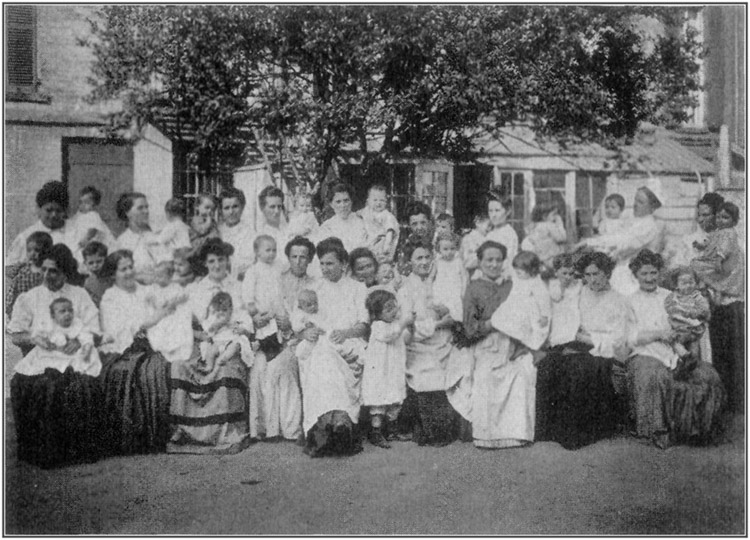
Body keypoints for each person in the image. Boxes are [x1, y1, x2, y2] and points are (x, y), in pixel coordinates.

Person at [8, 243, 103, 467]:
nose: (47, 275)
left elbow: (95, 330)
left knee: (70, 384)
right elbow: (16, 335)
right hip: (43, 354)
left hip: (76, 354)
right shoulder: (30, 297)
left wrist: (78, 340)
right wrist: (34, 339)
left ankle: (74, 451)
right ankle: (41, 451)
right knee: (24, 382)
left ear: (65, 272)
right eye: (44, 269)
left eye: (54, 271)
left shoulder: (79, 295)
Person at [626, 249, 725, 448]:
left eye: (653, 272)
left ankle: (699, 430)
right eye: (644, 273)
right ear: (636, 275)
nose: (649, 278)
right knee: (655, 376)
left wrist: (684, 334)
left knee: (708, 375)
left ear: (659, 272)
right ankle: (658, 430)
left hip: (675, 351)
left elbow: (690, 322)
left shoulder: (672, 296)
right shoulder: (629, 301)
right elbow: (630, 338)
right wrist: (658, 334)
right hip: (645, 353)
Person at [446, 240, 538, 448]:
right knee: (486, 376)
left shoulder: (512, 286)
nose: (494, 264)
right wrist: (493, 322)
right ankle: (488, 436)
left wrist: (521, 342)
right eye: (489, 260)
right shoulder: (474, 288)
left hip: (513, 342)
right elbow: (470, 328)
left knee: (522, 373)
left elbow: (526, 316)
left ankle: (516, 433)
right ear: (479, 262)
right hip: (485, 343)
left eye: (498, 260)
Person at [535, 251, 630, 450]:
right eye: (587, 275)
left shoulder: (619, 300)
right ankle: (548, 431)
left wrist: (585, 339)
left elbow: (618, 340)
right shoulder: (581, 292)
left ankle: (574, 435)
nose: (592, 280)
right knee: (547, 365)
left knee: (577, 369)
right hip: (574, 343)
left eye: (596, 274)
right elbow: (562, 310)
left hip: (600, 351)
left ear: (607, 273)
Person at [170, 238, 254, 453]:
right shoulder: (198, 289)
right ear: (205, 264)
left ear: (227, 261)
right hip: (205, 341)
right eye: (212, 261)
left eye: (221, 260)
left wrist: (240, 329)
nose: (217, 265)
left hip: (230, 339)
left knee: (225, 368)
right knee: (179, 365)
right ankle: (185, 429)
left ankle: (225, 430)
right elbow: (186, 322)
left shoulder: (237, 286)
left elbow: (246, 320)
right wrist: (202, 335)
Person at [98, 249, 172, 456]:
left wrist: (154, 323)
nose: (129, 272)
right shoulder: (110, 298)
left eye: (131, 267)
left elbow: (164, 312)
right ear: (113, 274)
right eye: (123, 269)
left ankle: (164, 432)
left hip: (151, 342)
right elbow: (116, 329)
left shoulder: (145, 291)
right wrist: (145, 324)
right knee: (141, 372)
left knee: (162, 367)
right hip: (123, 347)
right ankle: (140, 437)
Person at [300, 239, 369, 457]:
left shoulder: (357, 288)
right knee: (322, 356)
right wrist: (306, 332)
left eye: (330, 263)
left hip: (349, 342)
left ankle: (334, 424)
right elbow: (303, 319)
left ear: (344, 264)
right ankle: (333, 422)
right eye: (322, 263)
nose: (325, 268)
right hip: (321, 343)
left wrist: (346, 333)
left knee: (325, 357)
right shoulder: (315, 288)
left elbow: (363, 325)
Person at [396, 240, 458, 446]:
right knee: (429, 373)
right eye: (418, 258)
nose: (424, 262)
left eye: (427, 257)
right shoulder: (405, 289)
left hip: (444, 341)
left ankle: (446, 427)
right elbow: (408, 327)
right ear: (409, 262)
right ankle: (429, 429)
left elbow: (454, 312)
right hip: (418, 345)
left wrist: (448, 314)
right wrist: (439, 323)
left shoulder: (441, 282)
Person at [691, 201, 745, 413]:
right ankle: (716, 402)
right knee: (714, 353)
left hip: (728, 303)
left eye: (707, 215)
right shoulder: (714, 236)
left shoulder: (730, 236)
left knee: (730, 355)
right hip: (709, 303)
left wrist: (713, 268)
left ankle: (733, 403)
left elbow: (725, 266)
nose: (702, 219)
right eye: (699, 215)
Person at [582, 181, 664, 296]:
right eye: (635, 200)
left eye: (640, 202)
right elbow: (615, 237)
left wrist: (596, 245)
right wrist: (590, 242)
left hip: (633, 272)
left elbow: (626, 245)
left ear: (652, 207)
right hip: (621, 267)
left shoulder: (648, 226)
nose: (635, 204)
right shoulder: (634, 222)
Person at [362, 289, 413, 448]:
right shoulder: (378, 326)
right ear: (377, 313)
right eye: (388, 309)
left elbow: (406, 339)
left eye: (394, 307)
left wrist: (410, 328)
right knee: (379, 402)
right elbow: (389, 336)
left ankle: (392, 430)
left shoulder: (395, 325)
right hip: (380, 372)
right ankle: (376, 432)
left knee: (395, 400)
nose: (393, 311)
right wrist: (403, 323)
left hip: (393, 370)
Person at [21, 297, 101, 377]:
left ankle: (75, 373)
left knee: (85, 361)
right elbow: (37, 335)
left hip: (73, 354)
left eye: (70, 310)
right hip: (52, 352)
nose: (67, 314)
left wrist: (86, 350)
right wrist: (42, 341)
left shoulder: (77, 324)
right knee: (41, 360)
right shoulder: (49, 325)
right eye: (62, 311)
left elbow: (86, 337)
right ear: (53, 315)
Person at [7, 180, 77, 269]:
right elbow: (8, 268)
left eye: (58, 210)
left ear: (65, 210)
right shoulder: (26, 236)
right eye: (49, 210)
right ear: (38, 209)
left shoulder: (77, 230)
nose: (54, 215)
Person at [493, 251, 551, 351]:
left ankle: (522, 344)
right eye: (516, 271)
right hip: (514, 304)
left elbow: (544, 300)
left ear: (531, 270)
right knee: (504, 319)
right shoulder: (519, 276)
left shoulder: (536, 283)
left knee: (524, 327)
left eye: (519, 271)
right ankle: (513, 339)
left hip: (527, 309)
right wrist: (503, 278)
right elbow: (510, 275)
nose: (517, 273)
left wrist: (545, 316)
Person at [143, 258, 193, 363]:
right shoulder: (154, 288)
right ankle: (166, 348)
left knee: (177, 326)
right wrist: (150, 300)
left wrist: (174, 301)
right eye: (156, 276)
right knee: (161, 328)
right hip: (160, 316)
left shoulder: (175, 287)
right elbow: (148, 299)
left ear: (170, 276)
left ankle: (175, 348)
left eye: (160, 276)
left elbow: (183, 296)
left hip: (172, 315)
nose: (157, 279)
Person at [198, 291, 254, 380]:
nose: (221, 313)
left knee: (233, 348)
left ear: (231, 309)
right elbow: (209, 333)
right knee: (211, 351)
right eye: (218, 310)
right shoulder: (215, 319)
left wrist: (242, 330)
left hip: (232, 341)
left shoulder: (237, 316)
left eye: (224, 310)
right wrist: (216, 325)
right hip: (218, 342)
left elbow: (248, 329)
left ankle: (214, 372)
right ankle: (209, 366)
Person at [115, 192, 168, 285]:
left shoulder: (156, 236)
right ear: (128, 213)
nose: (146, 211)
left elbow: (167, 263)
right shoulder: (122, 242)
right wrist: (140, 277)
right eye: (140, 208)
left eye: (147, 207)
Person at [664, 267, 710, 373]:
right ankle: (683, 360)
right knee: (674, 341)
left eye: (691, 282)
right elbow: (668, 306)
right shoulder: (673, 297)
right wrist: (674, 309)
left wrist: (691, 312)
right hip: (679, 327)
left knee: (693, 345)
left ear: (696, 283)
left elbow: (704, 309)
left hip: (693, 328)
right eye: (684, 283)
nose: (688, 285)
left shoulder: (697, 296)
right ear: (676, 285)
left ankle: (691, 361)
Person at [6, 231, 53, 318]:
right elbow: (14, 289)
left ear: (46, 252)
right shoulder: (22, 269)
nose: (32, 254)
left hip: (40, 308)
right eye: (29, 250)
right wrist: (9, 306)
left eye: (37, 250)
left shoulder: (47, 272)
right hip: (21, 308)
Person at [67, 185, 116, 266]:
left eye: (87, 203)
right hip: (83, 244)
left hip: (91, 242)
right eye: (80, 202)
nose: (83, 205)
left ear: (94, 205)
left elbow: (93, 230)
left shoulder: (92, 215)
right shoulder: (80, 215)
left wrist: (86, 238)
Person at [217, 187, 256, 281]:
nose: (231, 212)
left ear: (242, 207)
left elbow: (249, 264)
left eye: (235, 206)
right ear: (221, 211)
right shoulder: (217, 232)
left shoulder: (251, 234)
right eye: (226, 208)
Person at [317, 183, 369, 253]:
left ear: (351, 201)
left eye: (346, 200)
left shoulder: (363, 221)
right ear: (331, 204)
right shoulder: (327, 227)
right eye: (338, 202)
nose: (343, 205)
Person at [547, 253, 583, 347]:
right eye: (564, 273)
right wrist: (562, 286)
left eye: (571, 274)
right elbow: (557, 297)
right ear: (556, 272)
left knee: (574, 336)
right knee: (559, 337)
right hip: (560, 316)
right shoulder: (553, 284)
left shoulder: (578, 284)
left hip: (574, 315)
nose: (568, 277)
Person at [431, 231, 467, 322]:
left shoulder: (458, 261)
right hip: (441, 290)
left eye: (452, 248)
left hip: (454, 290)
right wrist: (428, 288)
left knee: (455, 310)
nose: (449, 252)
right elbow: (431, 276)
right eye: (445, 249)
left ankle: (455, 323)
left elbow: (464, 276)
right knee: (438, 309)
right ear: (439, 249)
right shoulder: (438, 262)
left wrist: (464, 290)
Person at [521, 203, 567, 273]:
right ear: (544, 216)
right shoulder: (549, 225)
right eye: (554, 214)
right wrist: (560, 224)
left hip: (540, 257)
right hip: (551, 257)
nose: (556, 217)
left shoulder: (534, 226)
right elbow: (562, 238)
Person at [357, 184, 399, 262]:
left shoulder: (386, 215)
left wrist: (387, 244)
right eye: (375, 200)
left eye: (382, 200)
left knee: (380, 259)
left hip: (381, 242)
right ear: (368, 201)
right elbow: (358, 214)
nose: (378, 203)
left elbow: (390, 230)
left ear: (386, 202)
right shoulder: (367, 211)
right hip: (369, 242)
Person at [396, 201, 433, 276]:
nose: (419, 228)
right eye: (414, 224)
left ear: (429, 222)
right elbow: (402, 270)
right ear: (409, 225)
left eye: (423, 223)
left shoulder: (436, 242)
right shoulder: (406, 246)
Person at [82, 241, 112, 308]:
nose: (95, 265)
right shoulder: (88, 283)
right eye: (91, 263)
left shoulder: (114, 277)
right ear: (85, 263)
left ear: (106, 260)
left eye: (99, 261)